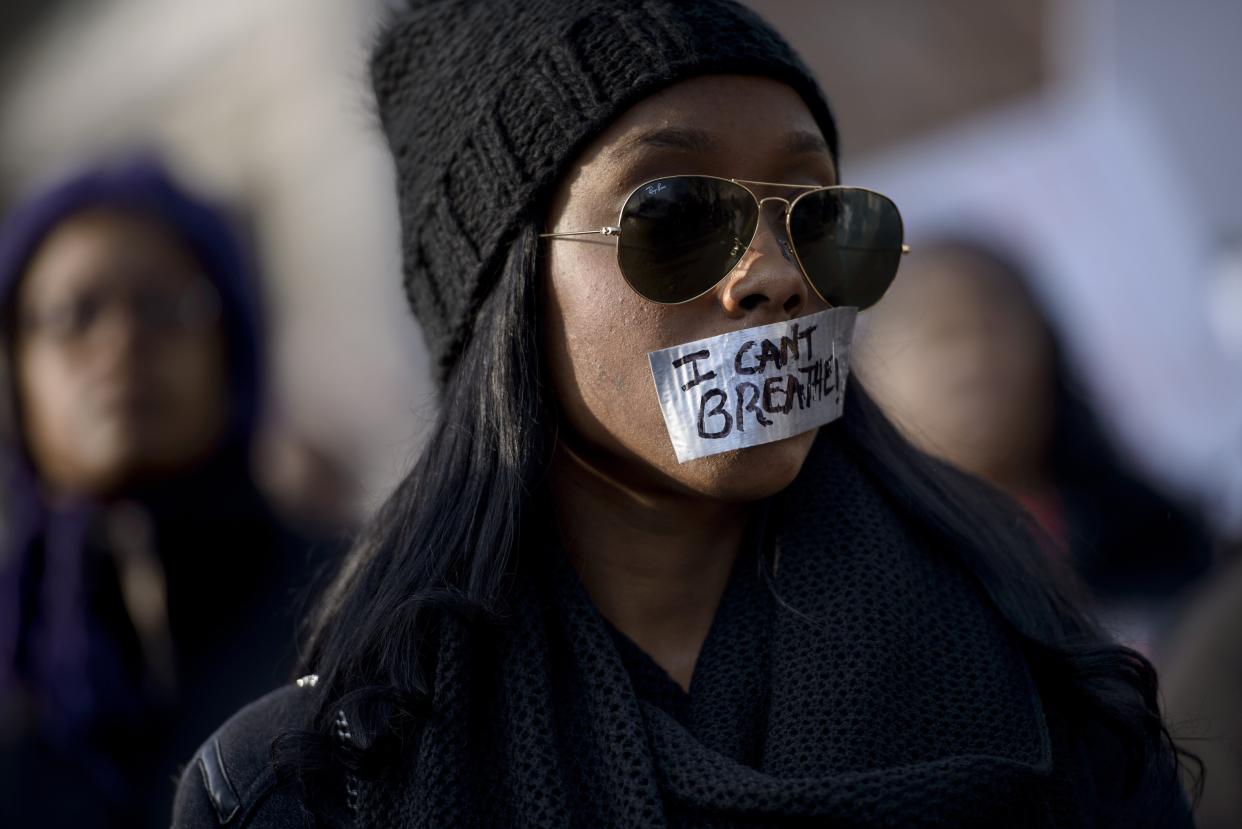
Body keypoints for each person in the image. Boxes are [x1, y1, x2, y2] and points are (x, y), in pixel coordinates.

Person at [174, 2, 1196, 826]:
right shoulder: (306, 784)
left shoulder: (1047, 667)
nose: (775, 276)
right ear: (505, 300)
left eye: (820, 215)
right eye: (672, 213)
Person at [0, 156, 315, 827]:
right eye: (74, 314)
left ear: (232, 348)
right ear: (15, 375)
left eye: (165, 306)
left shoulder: (357, 610)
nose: (121, 341)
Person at [854, 238, 1213, 651]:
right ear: (866, 374)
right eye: (937, 331)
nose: (972, 358)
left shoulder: (1157, 538)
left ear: (1047, 347)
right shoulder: (864, 585)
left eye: (994, 324)